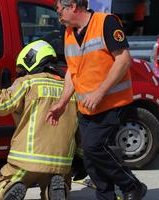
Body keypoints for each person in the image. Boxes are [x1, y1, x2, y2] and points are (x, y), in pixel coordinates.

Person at [46, 1, 147, 200]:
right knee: (91, 159)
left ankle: (132, 185)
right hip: (87, 108)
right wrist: (62, 102)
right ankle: (106, 197)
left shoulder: (106, 23)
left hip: (112, 103)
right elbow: (72, 73)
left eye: (60, 11)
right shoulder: (68, 33)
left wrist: (100, 92)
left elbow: (123, 59)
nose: (58, 16)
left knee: (94, 147)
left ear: (73, 6)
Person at [0, 40, 78, 200]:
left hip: (26, 159)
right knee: (57, 180)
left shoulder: (28, 82)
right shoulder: (71, 88)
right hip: (62, 160)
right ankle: (55, 188)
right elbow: (82, 125)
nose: (22, 74)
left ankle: (9, 187)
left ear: (31, 60)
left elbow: (0, 105)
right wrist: (82, 157)